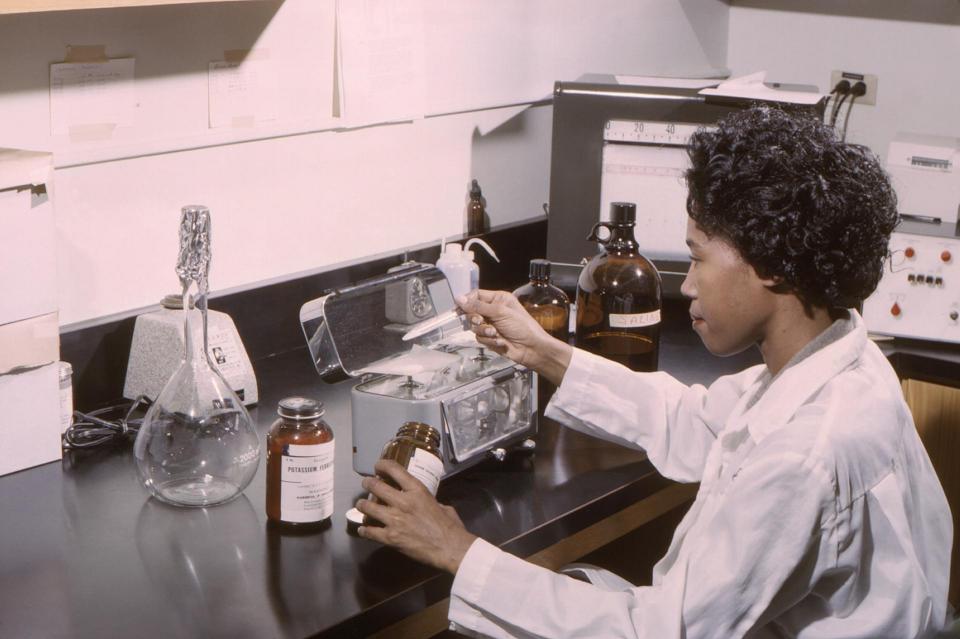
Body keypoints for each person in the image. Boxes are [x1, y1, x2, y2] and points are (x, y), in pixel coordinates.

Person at [354, 106, 953, 638]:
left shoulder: (806, 455)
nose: (686, 285)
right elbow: (698, 421)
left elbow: (665, 631)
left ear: (770, 265)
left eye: (696, 256)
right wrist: (544, 352)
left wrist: (457, 549)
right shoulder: (844, 362)